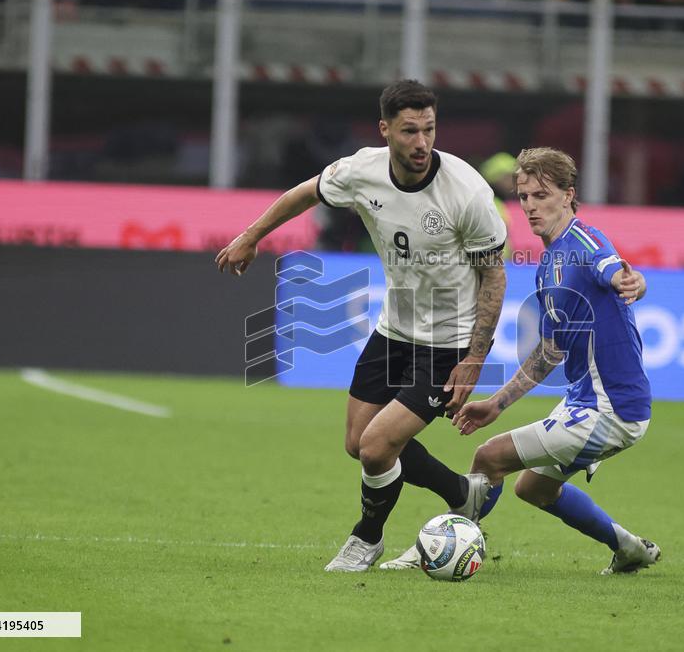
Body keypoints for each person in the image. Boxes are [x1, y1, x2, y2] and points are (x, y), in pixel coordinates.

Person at [215, 79, 508, 572]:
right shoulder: (361, 170)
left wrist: (475, 358)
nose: (421, 142)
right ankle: (462, 493)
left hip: (448, 344)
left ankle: (366, 539)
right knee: (358, 444)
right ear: (385, 130)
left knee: (376, 447)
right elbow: (304, 193)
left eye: (430, 129)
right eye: (410, 130)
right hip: (394, 330)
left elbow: (494, 277)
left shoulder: (467, 190)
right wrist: (251, 236)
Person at [383, 147, 661, 575]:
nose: (530, 206)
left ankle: (437, 549)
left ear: (568, 195)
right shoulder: (549, 262)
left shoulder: (585, 243)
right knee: (534, 488)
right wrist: (498, 403)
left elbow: (617, 270)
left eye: (541, 195)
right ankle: (629, 549)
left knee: (489, 457)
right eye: (524, 196)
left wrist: (633, 282)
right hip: (584, 401)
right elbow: (551, 350)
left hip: (612, 408)